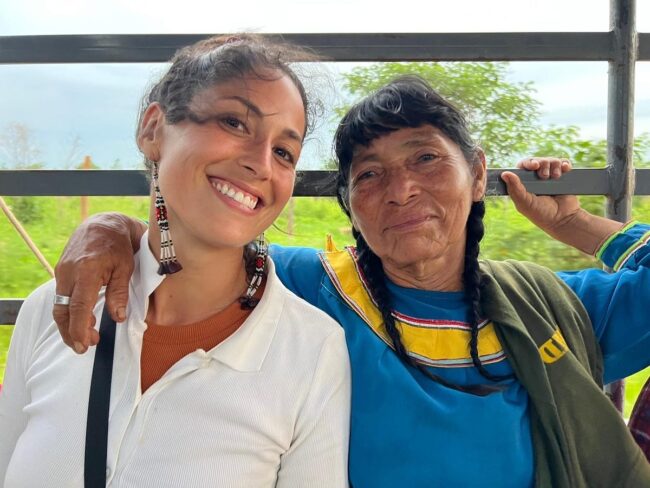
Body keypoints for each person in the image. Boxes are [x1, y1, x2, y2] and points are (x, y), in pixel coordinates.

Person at [40, 76, 650, 487]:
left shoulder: (546, 308)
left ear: (477, 172)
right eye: (368, 177)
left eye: (426, 158)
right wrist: (109, 228)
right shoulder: (313, 286)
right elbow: (195, 237)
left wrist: (578, 224)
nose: (401, 189)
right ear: (350, 208)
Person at [0, 34, 351, 488]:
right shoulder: (56, 310)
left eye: (284, 152)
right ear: (153, 131)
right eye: (234, 122)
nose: (262, 164)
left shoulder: (312, 351)